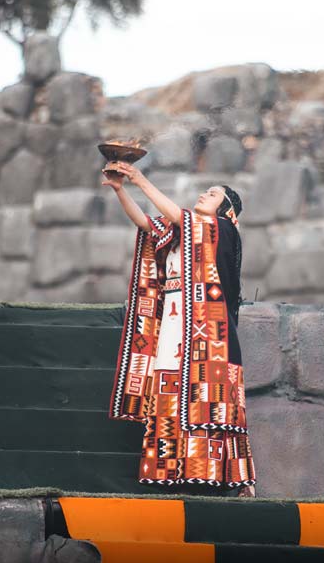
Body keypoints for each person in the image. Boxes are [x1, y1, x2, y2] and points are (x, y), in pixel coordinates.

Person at [104, 161, 256, 496]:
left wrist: (140, 179)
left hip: (210, 336)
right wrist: (120, 190)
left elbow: (178, 216)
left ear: (226, 208)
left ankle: (217, 477)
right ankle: (174, 473)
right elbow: (147, 224)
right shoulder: (181, 234)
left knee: (208, 402)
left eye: (213, 193)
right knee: (169, 396)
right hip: (175, 328)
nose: (205, 194)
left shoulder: (221, 230)